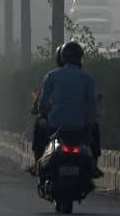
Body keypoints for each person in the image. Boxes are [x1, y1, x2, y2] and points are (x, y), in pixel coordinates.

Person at [30, 42, 102, 177]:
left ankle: (37, 163)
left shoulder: (52, 76)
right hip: (80, 126)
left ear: (62, 57)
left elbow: (42, 106)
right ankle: (94, 166)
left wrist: (45, 112)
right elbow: (92, 108)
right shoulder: (87, 78)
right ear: (80, 57)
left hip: (55, 125)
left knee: (39, 124)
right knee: (95, 128)